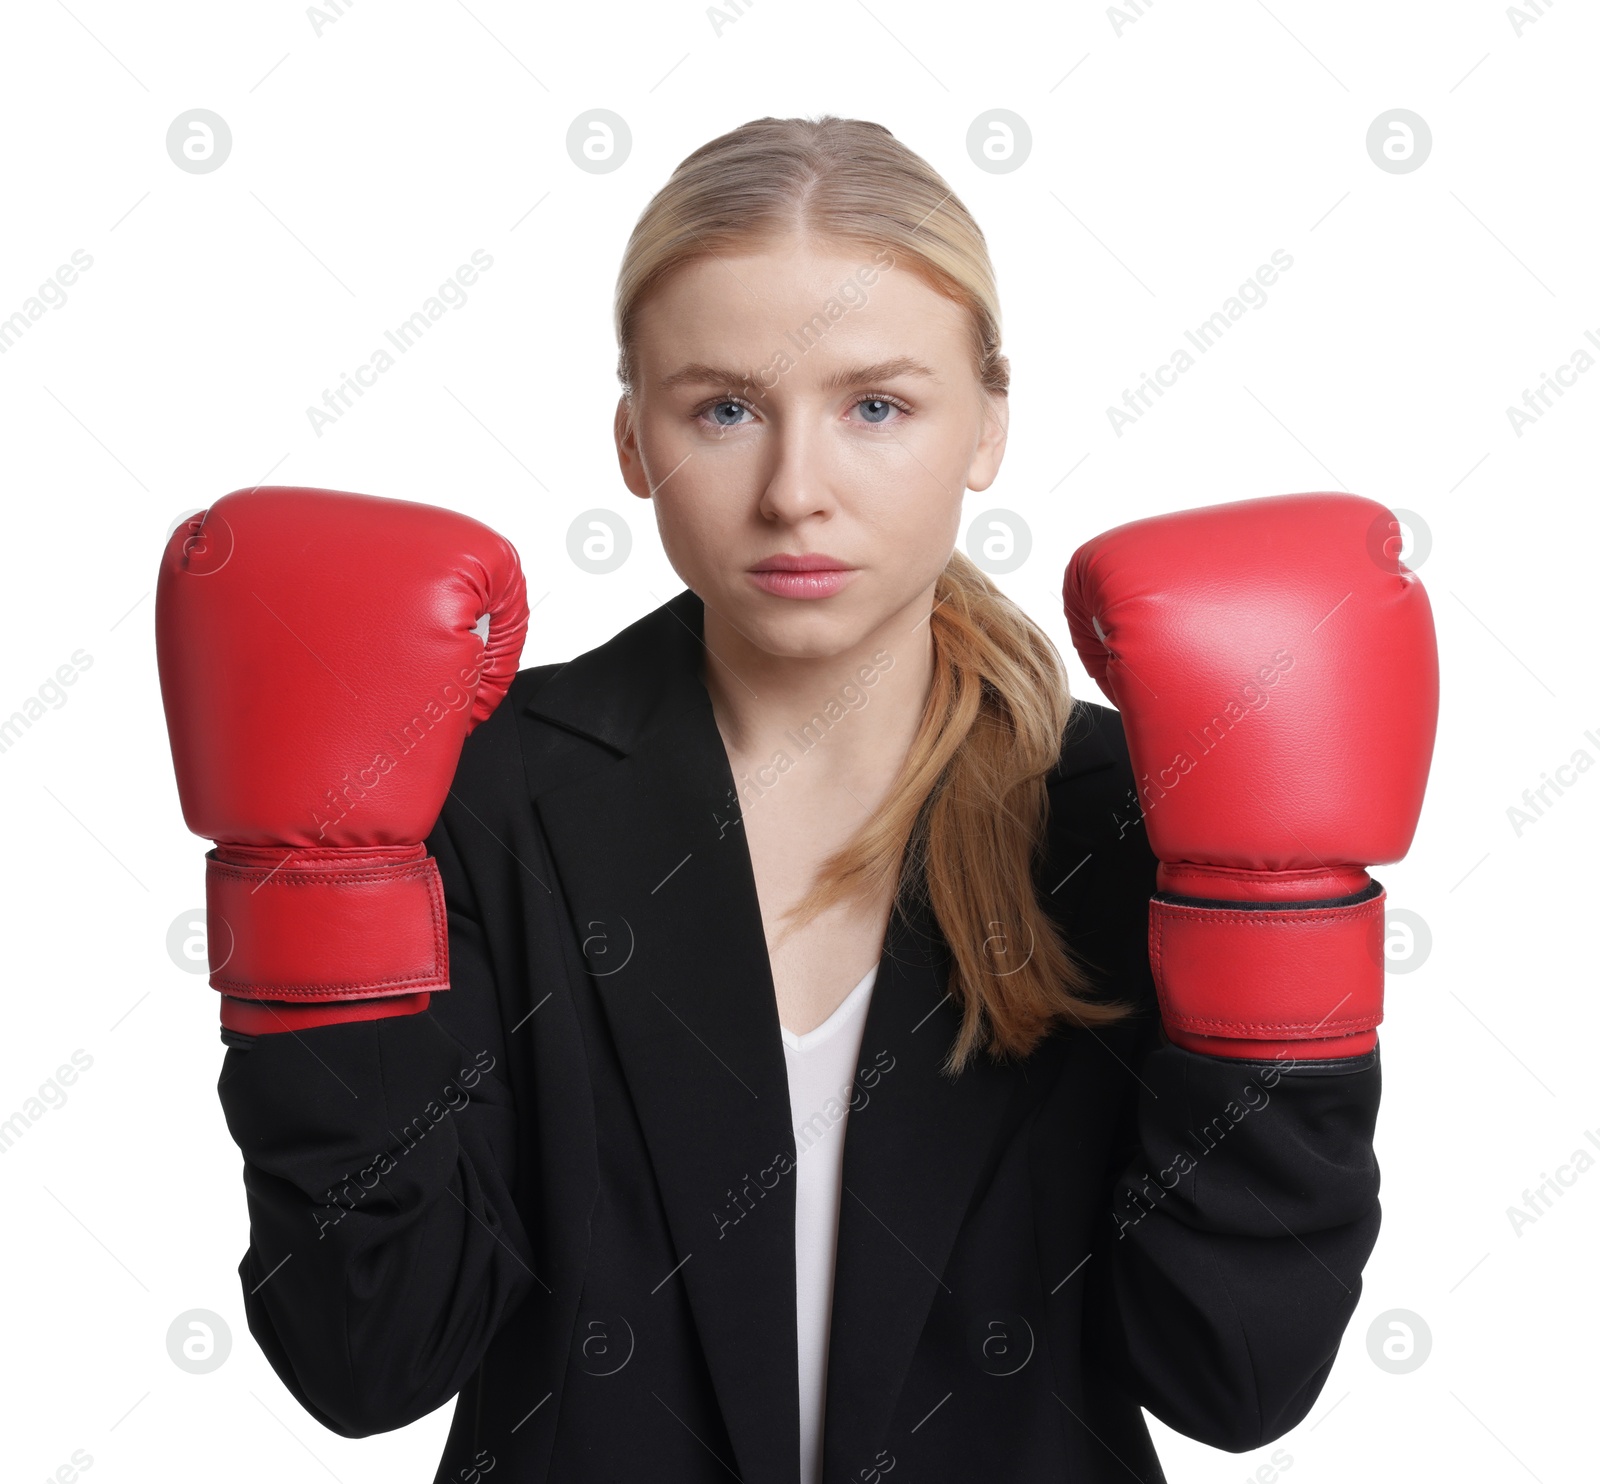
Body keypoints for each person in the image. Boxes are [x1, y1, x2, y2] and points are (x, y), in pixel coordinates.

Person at [154, 115, 1438, 1483]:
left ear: (988, 425)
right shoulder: (470, 801)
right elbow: (370, 1359)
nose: (795, 493)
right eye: (724, 408)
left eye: (876, 406)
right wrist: (310, 897)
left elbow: (1236, 1380)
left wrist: (1279, 926)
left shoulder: (1147, 814)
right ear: (633, 439)